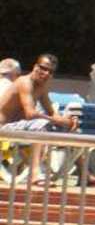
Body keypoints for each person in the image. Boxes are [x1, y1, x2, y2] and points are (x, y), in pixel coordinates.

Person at [0, 54, 78, 184]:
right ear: (35, 67)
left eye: (50, 71)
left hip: (19, 128)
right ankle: (34, 173)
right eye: (43, 68)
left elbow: (52, 112)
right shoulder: (25, 83)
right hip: (4, 129)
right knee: (41, 126)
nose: (46, 73)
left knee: (70, 129)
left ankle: (86, 174)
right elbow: (30, 114)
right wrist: (57, 120)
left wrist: (68, 122)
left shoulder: (42, 87)